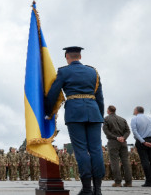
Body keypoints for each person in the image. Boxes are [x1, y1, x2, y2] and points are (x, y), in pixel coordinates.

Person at [45, 46, 105, 195]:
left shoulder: (64, 71)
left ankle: (86, 189)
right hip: (94, 112)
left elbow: (53, 93)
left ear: (67, 57)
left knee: (81, 150)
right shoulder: (93, 72)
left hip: (75, 113)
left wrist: (48, 112)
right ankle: (98, 190)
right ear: (80, 57)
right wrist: (100, 115)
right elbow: (100, 97)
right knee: (96, 150)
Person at [102, 105, 132, 187]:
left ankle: (118, 182)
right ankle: (129, 182)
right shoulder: (123, 119)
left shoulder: (106, 119)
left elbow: (106, 131)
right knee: (126, 161)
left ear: (108, 111)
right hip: (123, 142)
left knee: (114, 162)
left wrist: (116, 137)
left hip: (113, 142)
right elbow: (128, 131)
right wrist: (123, 137)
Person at [130, 106, 151, 187]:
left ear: (136, 111)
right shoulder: (150, 118)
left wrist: (143, 141)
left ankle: (148, 181)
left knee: (145, 161)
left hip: (141, 141)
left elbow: (135, 131)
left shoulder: (134, 119)